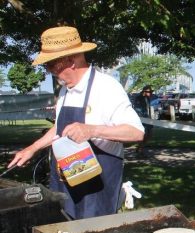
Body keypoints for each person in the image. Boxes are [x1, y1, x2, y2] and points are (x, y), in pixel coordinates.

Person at [8, 26, 144, 219]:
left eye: (51, 65)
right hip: (66, 179)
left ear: (71, 61)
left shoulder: (105, 87)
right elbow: (60, 128)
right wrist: (32, 148)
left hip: (97, 186)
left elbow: (136, 132)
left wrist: (92, 130)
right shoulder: (66, 90)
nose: (49, 72)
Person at [133, 85, 154, 156]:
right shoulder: (138, 98)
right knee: (143, 134)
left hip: (147, 118)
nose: (150, 93)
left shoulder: (147, 98)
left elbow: (148, 108)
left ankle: (139, 148)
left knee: (150, 134)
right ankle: (142, 151)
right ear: (144, 91)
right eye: (149, 92)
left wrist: (149, 117)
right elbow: (137, 109)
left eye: (151, 92)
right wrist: (141, 118)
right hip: (141, 118)